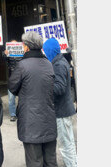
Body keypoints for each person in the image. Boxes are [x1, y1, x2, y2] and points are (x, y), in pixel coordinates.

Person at [8, 32, 57, 167]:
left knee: (34, 162)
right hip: (49, 121)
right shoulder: (48, 64)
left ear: (27, 47)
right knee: (51, 161)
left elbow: (12, 87)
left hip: (30, 123)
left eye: (24, 45)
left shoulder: (22, 65)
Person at [43, 38, 77, 167]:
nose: (45, 54)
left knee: (65, 145)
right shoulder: (60, 61)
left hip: (62, 111)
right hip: (64, 110)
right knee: (68, 143)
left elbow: (59, 88)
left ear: (50, 51)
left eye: (46, 51)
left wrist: (46, 85)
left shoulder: (58, 65)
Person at [3, 39, 22, 122]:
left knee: (22, 97)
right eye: (12, 45)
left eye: (15, 45)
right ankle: (13, 114)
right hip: (12, 78)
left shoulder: (22, 55)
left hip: (21, 78)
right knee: (11, 98)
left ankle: (20, 113)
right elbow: (4, 59)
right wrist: (5, 54)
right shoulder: (8, 55)